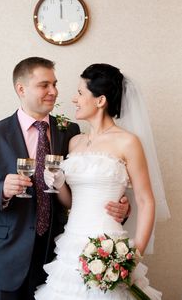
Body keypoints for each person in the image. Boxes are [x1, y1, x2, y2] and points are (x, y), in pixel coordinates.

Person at [0, 57, 129, 300]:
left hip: (57, 257)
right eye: (44, 85)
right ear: (21, 89)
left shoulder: (70, 132)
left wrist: (121, 204)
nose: (54, 92)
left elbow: (86, 183)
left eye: (55, 84)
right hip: (4, 258)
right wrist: (1, 189)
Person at [34, 63, 170, 300]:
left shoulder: (127, 142)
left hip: (108, 245)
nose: (74, 99)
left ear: (100, 100)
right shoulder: (75, 141)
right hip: (71, 245)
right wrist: (58, 184)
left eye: (80, 93)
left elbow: (146, 201)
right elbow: (70, 203)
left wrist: (133, 256)